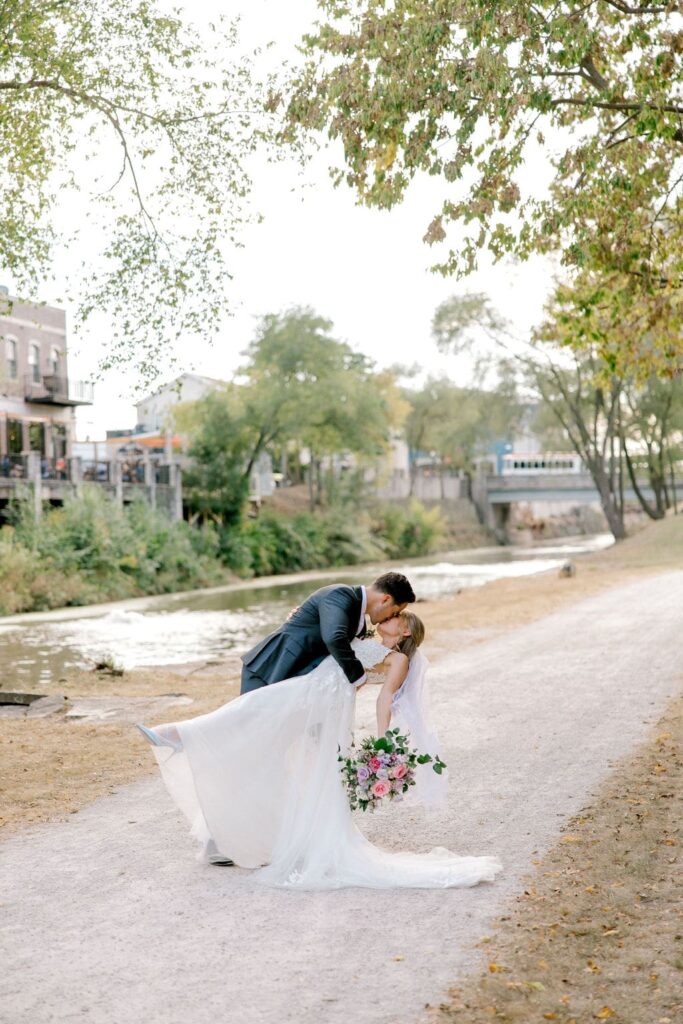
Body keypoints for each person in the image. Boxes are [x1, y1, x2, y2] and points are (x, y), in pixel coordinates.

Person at [136, 605, 501, 890]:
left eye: (395, 618)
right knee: (253, 718)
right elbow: (338, 653)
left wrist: (381, 738)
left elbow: (384, 698)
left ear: (404, 630)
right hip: (311, 692)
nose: (388, 618)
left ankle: (178, 735)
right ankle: (185, 744)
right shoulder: (369, 639)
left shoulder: (400, 658)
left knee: (254, 717)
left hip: (318, 699)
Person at [239, 572, 415, 695]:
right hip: (271, 667)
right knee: (248, 732)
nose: (392, 616)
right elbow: (334, 637)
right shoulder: (340, 594)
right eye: (394, 612)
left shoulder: (359, 622)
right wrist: (358, 677)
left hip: (295, 678)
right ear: (385, 599)